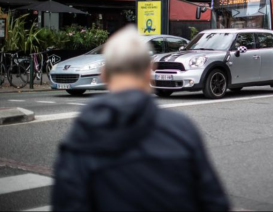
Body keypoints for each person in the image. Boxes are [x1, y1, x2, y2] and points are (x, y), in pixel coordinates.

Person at [52, 26, 230, 211]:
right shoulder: (181, 129)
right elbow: (214, 201)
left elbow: (67, 204)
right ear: (149, 70)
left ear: (104, 73)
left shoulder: (80, 135)